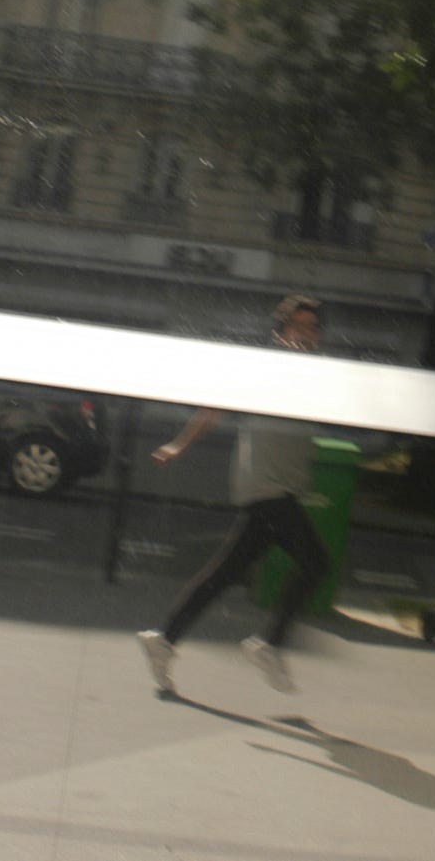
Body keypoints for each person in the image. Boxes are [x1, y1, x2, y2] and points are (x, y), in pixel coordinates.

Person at [136, 294, 332, 695]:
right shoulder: (265, 368)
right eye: (297, 326)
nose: (305, 334)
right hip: (268, 488)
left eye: (312, 328)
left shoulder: (313, 375)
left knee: (224, 574)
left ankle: (165, 638)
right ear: (280, 333)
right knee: (316, 562)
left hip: (278, 488)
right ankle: (268, 644)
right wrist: (178, 444)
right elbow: (215, 407)